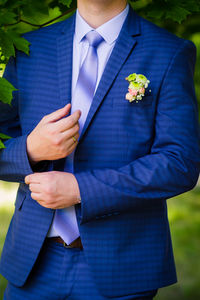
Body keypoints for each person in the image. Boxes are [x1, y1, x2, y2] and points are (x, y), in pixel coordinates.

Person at [0, 0, 199, 299]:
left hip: (122, 264)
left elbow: (179, 163)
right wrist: (30, 149)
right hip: (32, 263)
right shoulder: (28, 48)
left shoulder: (168, 52)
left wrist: (82, 189)